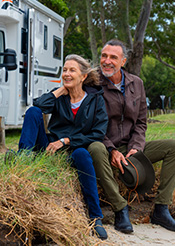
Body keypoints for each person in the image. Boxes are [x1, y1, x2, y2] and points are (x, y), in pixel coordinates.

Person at [88, 39, 175, 233]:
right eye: (104, 56)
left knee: (174, 146)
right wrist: (112, 150)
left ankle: (161, 209)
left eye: (113, 57)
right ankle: (120, 208)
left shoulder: (137, 83)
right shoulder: (92, 83)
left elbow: (141, 123)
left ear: (123, 61)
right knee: (95, 148)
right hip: (104, 145)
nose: (106, 61)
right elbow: (90, 123)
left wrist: (137, 148)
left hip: (130, 146)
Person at [11, 54, 109, 240]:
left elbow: (97, 133)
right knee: (33, 112)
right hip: (48, 146)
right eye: (64, 70)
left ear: (84, 76)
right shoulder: (60, 97)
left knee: (82, 155)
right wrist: (59, 91)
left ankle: (96, 218)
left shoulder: (96, 100)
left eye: (72, 70)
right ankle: (23, 158)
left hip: (72, 150)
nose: (67, 73)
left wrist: (66, 141)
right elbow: (37, 106)